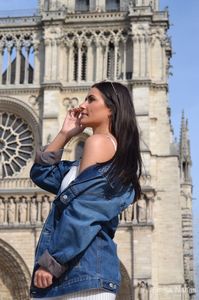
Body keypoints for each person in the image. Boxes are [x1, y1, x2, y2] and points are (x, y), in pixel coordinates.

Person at [30, 81, 142, 299]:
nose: (81, 105)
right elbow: (41, 173)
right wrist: (65, 133)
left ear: (111, 108)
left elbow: (83, 212)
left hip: (82, 274)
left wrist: (51, 262)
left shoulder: (98, 142)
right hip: (80, 275)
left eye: (91, 99)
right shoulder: (96, 157)